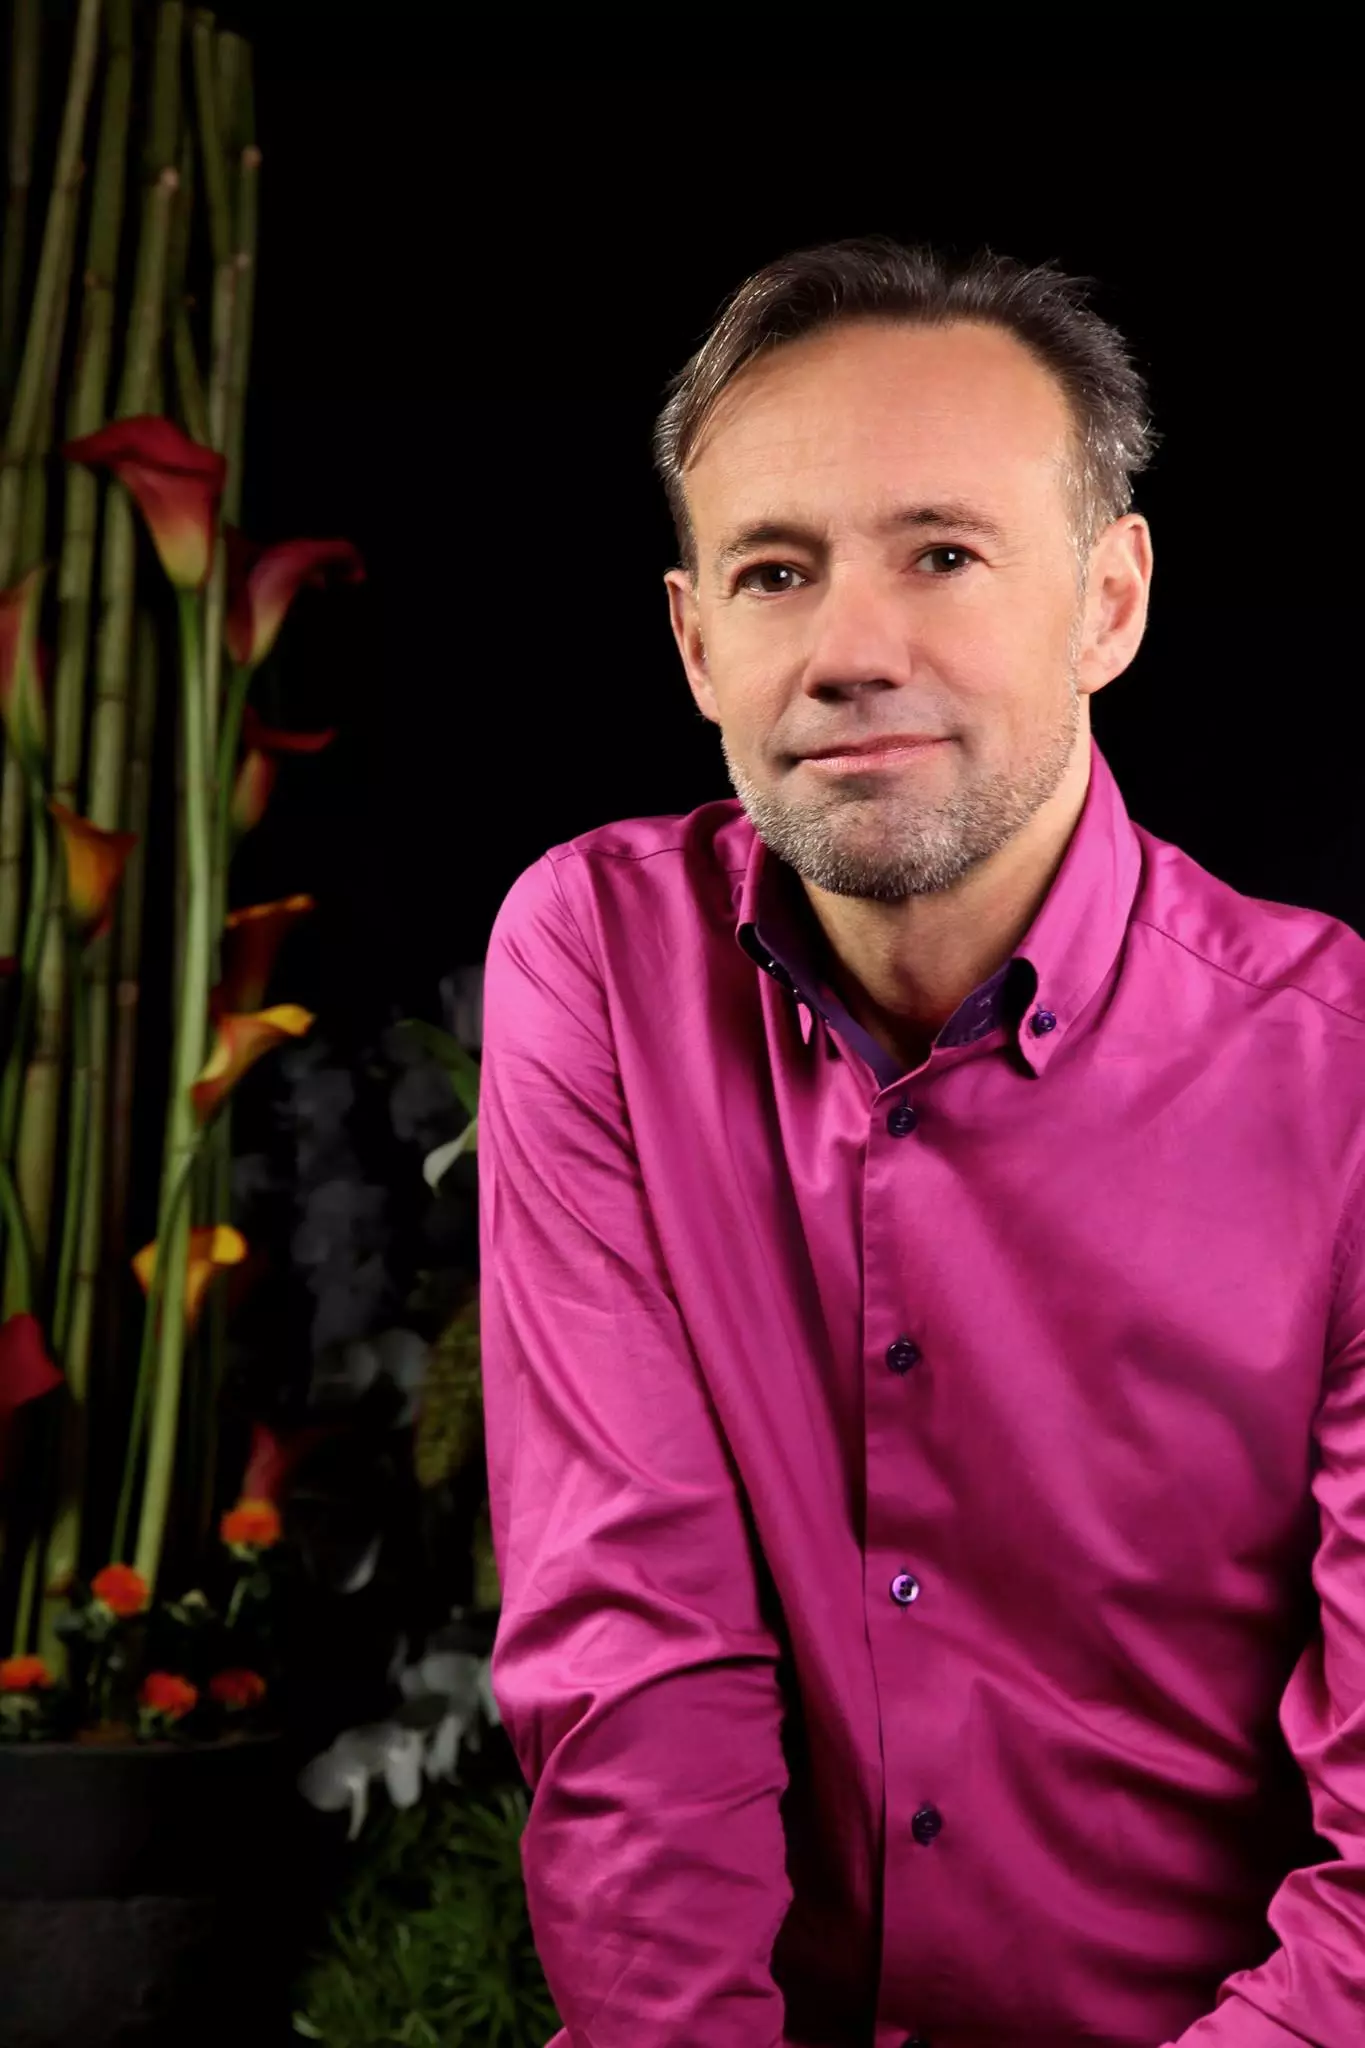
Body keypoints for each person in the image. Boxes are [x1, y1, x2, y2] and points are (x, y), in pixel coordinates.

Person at [476, 237, 1365, 2048]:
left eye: (944, 556)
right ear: (695, 640)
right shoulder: (596, 963)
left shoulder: (1339, 1078)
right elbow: (636, 1651)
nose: (848, 652)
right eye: (778, 572)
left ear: (1110, 601)